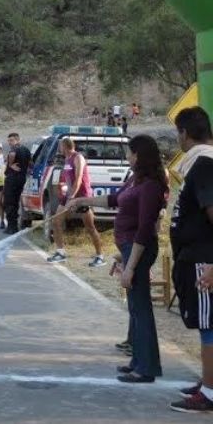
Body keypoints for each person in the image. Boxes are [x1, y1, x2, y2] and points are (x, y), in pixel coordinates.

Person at [69, 134, 167, 383]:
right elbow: (114, 200)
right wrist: (84, 200)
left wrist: (130, 267)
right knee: (135, 308)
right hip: (127, 247)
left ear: (140, 155)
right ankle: (138, 361)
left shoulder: (151, 186)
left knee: (142, 309)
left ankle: (147, 368)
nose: (127, 157)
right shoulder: (136, 180)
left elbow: (145, 228)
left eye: (130, 153)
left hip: (138, 250)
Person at [166, 107, 213, 412]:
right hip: (195, 256)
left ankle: (209, 393)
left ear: (184, 133)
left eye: (178, 134)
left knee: (210, 328)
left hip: (204, 260)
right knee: (206, 326)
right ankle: (209, 381)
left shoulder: (204, 164)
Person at [46, 138, 106, 267]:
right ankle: (60, 252)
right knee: (56, 222)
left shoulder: (78, 157)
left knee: (90, 227)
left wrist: (73, 197)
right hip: (69, 196)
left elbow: (78, 179)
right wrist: (66, 194)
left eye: (60, 146)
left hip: (82, 196)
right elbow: (67, 179)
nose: (59, 149)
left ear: (66, 146)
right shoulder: (66, 159)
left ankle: (100, 256)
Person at [2, 133, 30, 234]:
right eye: (9, 140)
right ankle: (16, 224)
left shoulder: (14, 149)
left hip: (13, 179)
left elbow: (12, 154)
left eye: (11, 140)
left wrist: (10, 164)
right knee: (16, 202)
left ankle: (12, 226)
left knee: (9, 202)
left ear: (18, 140)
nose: (9, 143)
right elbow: (31, 163)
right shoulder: (26, 149)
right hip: (22, 178)